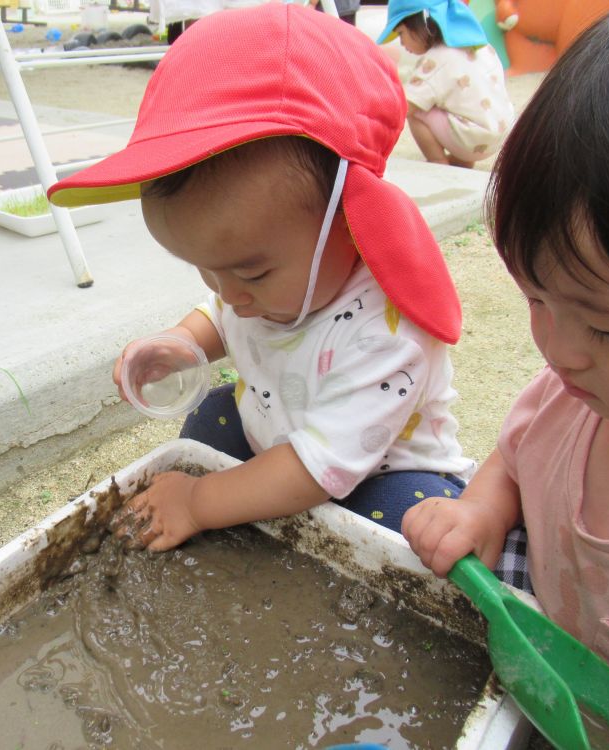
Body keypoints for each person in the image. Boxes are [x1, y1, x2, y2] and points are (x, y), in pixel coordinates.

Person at [48, 3, 475, 552]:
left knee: (409, 525)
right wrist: (181, 342)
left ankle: (233, 513)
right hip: (282, 440)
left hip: (378, 474)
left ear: (349, 219)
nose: (229, 294)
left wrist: (199, 502)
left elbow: (319, 470)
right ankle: (244, 515)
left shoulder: (389, 333)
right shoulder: (257, 282)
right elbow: (221, 315)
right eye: (207, 269)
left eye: (250, 271)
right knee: (213, 416)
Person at [400, 0, 609, 742]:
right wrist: (483, 509)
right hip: (545, 665)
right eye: (535, 296)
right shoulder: (570, 397)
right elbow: (518, 458)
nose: (558, 348)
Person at [376, 0, 514, 168]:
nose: (402, 43)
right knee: (462, 104)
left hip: (472, 139)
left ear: (421, 25)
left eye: (401, 33)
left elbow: (406, 106)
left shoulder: (436, 59)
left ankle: (438, 163)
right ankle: (464, 163)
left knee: (417, 111)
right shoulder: (479, 45)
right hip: (501, 133)